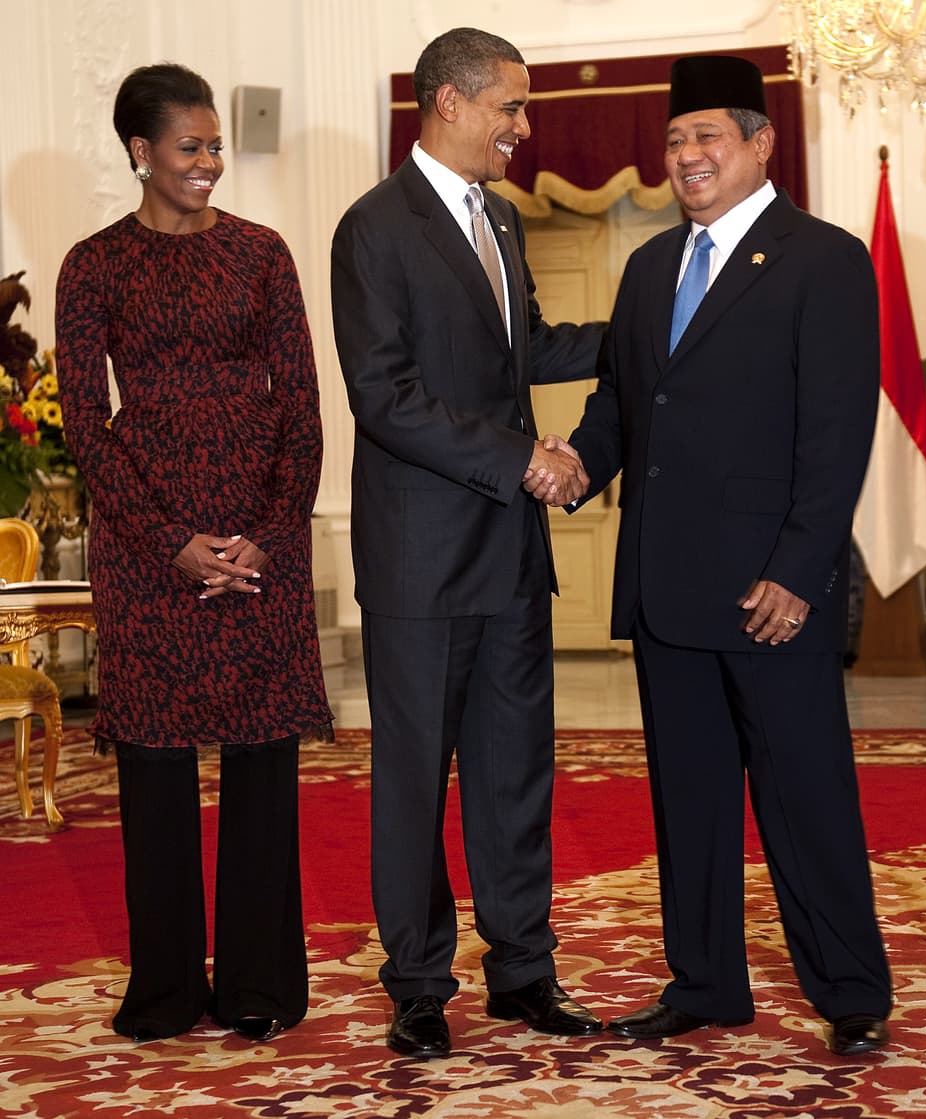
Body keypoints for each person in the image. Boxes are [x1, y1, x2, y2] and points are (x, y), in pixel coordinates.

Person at [532, 54, 893, 1057]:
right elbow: (620, 405)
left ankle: (850, 988)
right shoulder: (650, 267)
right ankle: (703, 983)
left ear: (759, 143)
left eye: (707, 138)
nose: (686, 157)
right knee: (686, 801)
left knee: (803, 793)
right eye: (675, 140)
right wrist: (571, 465)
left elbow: (834, 436)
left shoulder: (822, 259)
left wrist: (799, 570)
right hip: (663, 589)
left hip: (767, 593)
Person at [329, 27, 606, 1060]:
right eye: (510, 108)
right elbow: (383, 397)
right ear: (446, 102)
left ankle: (522, 973)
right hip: (419, 560)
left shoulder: (500, 216)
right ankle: (415, 985)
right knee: (413, 778)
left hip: (507, 554)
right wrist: (521, 459)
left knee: (512, 774)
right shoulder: (373, 229)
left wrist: (652, 326)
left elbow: (525, 348)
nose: (522, 131)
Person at [54, 62, 333, 1044]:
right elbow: (86, 425)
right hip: (145, 548)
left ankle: (260, 986)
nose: (211, 162)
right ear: (141, 152)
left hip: (259, 538)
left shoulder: (263, 253)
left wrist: (268, 530)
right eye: (191, 146)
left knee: (262, 769)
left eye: (216, 145)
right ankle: (166, 991)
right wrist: (171, 544)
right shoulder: (92, 265)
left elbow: (301, 408)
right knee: (156, 775)